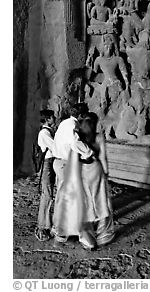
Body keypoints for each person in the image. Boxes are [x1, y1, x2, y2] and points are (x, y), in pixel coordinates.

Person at [51, 103, 95, 248]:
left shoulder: (64, 123)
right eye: (85, 115)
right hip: (66, 165)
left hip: (59, 163)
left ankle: (59, 230)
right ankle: (82, 237)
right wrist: (89, 153)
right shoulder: (72, 126)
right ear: (81, 115)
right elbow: (76, 143)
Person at [77, 113, 115, 247]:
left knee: (85, 203)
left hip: (82, 171)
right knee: (103, 201)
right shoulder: (99, 136)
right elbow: (103, 157)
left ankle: (88, 240)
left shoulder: (78, 137)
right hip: (96, 170)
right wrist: (106, 173)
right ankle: (104, 235)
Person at [34, 109, 56, 242]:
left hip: (50, 163)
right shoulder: (45, 132)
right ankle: (42, 227)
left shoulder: (48, 131)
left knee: (48, 193)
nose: (55, 118)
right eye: (53, 117)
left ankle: (45, 224)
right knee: (47, 194)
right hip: (47, 164)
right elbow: (55, 147)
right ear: (48, 119)